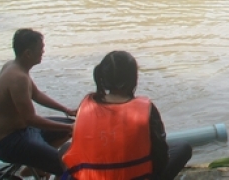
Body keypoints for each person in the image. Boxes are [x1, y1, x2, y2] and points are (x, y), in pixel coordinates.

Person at [62, 51, 192, 180]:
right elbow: (161, 157)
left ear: (102, 77)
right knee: (182, 147)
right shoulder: (146, 109)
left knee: (67, 147)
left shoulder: (85, 107)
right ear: (133, 79)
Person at [0, 29, 76, 177]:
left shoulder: (16, 66)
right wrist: (71, 126)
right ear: (28, 53)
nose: (43, 52)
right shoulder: (17, 78)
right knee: (66, 164)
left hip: (23, 130)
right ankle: (46, 165)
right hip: (8, 142)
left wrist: (66, 110)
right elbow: (31, 119)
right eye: (40, 49)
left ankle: (38, 165)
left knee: (68, 129)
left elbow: (36, 94)